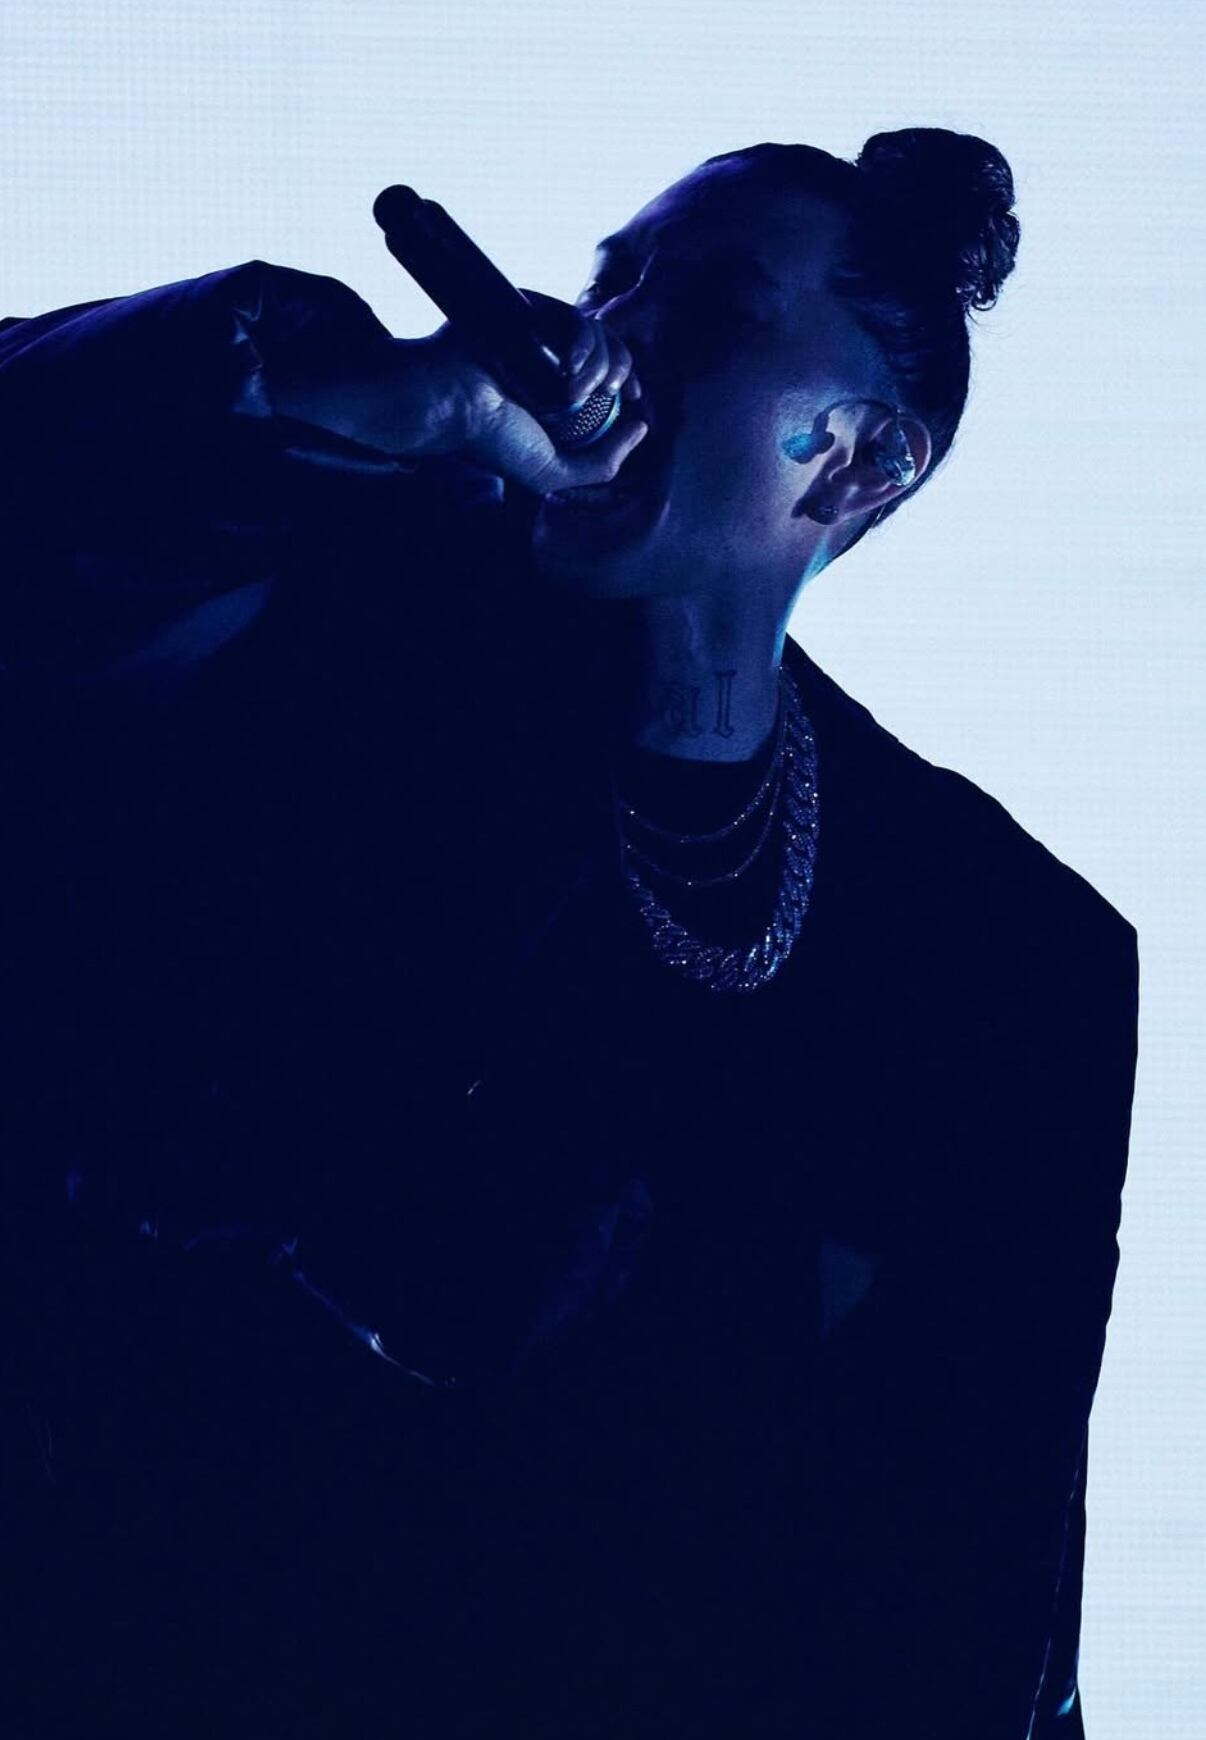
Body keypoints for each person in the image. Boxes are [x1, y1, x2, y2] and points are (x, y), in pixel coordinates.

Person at [0, 128, 1138, 1739]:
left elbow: (972, 1565)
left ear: (859, 464)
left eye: (713, 311)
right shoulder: (310, 590)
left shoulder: (1001, 950)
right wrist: (364, 402)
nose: (612, 336)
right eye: (616, 284)